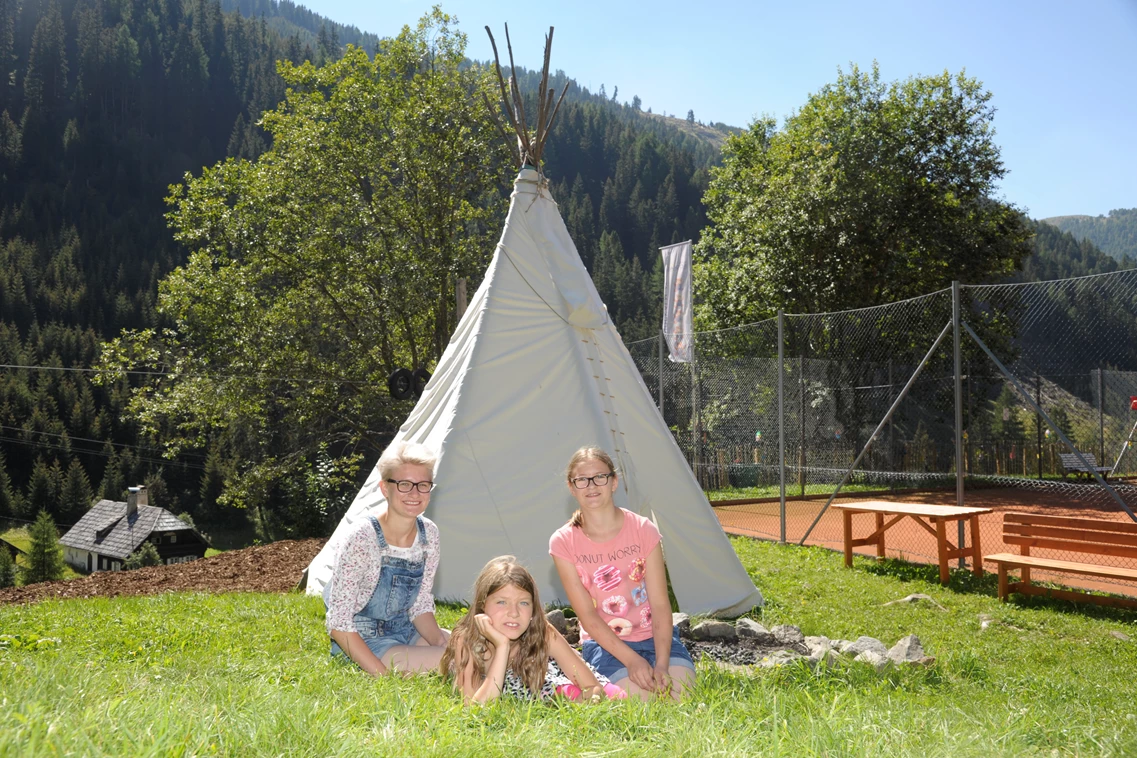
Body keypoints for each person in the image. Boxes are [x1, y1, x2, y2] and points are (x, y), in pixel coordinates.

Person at [549, 446, 696, 701]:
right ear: (572, 488)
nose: (591, 485)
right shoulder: (563, 542)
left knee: (679, 696)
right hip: (607, 647)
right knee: (642, 702)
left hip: (656, 638)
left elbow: (661, 604)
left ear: (614, 482)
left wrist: (661, 664)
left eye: (600, 477)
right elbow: (589, 618)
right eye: (582, 480)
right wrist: (632, 661)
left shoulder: (643, 530)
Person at [323, 441, 449, 676]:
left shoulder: (429, 534)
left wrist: (442, 643)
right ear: (384, 488)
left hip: (406, 630)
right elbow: (339, 624)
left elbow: (420, 604)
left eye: (423, 485)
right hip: (363, 640)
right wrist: (382, 675)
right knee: (456, 661)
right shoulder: (361, 536)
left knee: (473, 650)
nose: (415, 493)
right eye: (404, 484)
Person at [440, 555, 626, 704]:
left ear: (533, 609)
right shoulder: (467, 640)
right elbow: (476, 709)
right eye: (501, 602)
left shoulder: (542, 631)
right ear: (482, 606)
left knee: (618, 697)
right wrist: (502, 646)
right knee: (562, 693)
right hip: (521, 685)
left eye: (523, 603)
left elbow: (592, 686)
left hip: (544, 671)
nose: (513, 613)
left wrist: (591, 699)